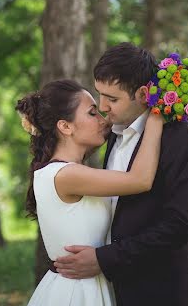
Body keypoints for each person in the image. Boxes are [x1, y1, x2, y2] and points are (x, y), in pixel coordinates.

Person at [54, 42, 188, 306]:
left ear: (143, 94)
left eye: (113, 98)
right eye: (100, 95)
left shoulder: (180, 139)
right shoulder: (114, 136)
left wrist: (104, 259)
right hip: (124, 288)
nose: (103, 107)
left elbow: (180, 225)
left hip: (169, 291)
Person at [16, 78, 163, 306]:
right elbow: (141, 180)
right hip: (77, 294)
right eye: (92, 113)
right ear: (65, 126)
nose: (103, 120)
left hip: (87, 285)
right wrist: (156, 114)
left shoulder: (64, 173)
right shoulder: (66, 175)